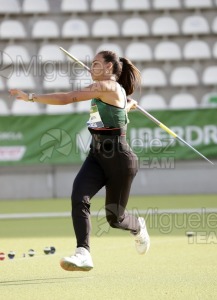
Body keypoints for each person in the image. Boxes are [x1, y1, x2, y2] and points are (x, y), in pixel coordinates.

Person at [9, 50, 150, 272]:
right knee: (79, 197)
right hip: (97, 156)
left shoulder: (107, 87)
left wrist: (31, 97)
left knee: (115, 219)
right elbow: (115, 112)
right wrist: (127, 106)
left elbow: (66, 98)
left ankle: (138, 226)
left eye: (96, 64)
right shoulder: (112, 91)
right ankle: (83, 253)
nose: (91, 67)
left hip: (120, 161)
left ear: (109, 68)